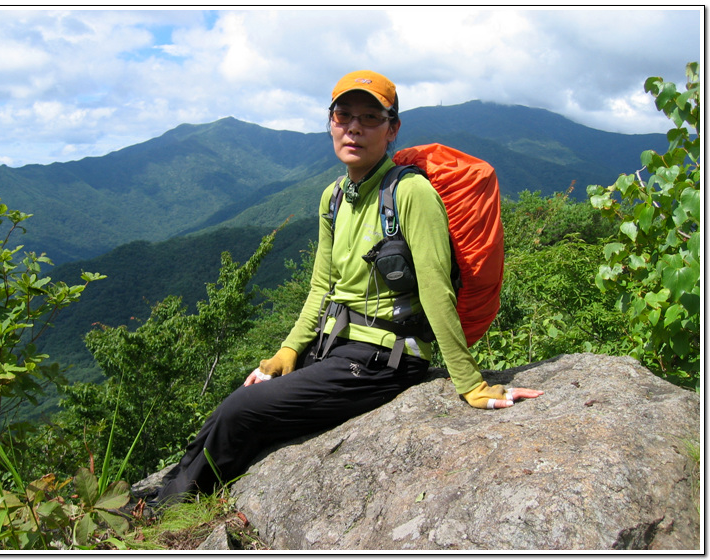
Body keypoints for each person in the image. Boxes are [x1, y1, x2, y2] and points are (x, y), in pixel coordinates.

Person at [156, 70, 543, 504]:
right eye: (343, 115)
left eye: (370, 117)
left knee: (241, 411)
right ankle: (165, 499)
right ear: (331, 122)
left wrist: (470, 383)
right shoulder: (335, 196)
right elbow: (322, 284)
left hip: (385, 359)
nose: (354, 127)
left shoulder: (411, 193)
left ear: (392, 128)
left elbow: (437, 291)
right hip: (334, 345)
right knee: (243, 397)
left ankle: (169, 509)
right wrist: (288, 350)